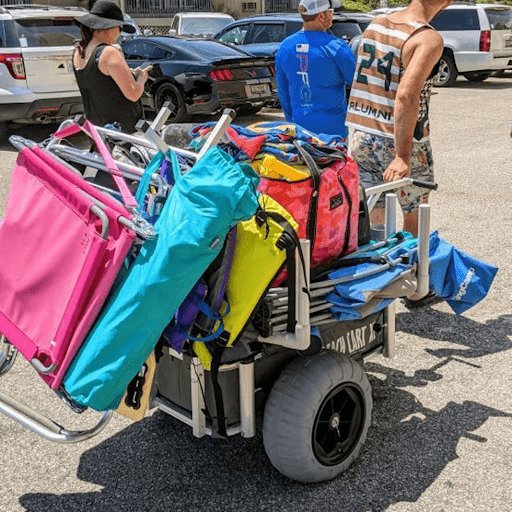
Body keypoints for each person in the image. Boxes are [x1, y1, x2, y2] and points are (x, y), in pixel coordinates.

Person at [346, 0, 451, 236]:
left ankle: (379, 266)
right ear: (446, 3)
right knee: (414, 218)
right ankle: (412, 268)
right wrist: (402, 156)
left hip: (363, 133)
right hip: (405, 141)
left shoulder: (375, 25)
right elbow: (406, 95)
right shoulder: (427, 38)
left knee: (374, 218)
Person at [275, 0, 356, 138]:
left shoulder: (284, 47)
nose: (332, 15)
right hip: (334, 133)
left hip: (300, 130)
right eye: (331, 12)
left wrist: (292, 120)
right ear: (322, 16)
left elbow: (283, 92)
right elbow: (358, 87)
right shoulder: (336, 47)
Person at [73, 0, 152, 133]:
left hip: (97, 131)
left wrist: (129, 73)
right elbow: (133, 94)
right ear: (108, 28)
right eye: (120, 28)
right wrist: (141, 80)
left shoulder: (78, 52)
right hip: (122, 134)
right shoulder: (109, 52)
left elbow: (100, 82)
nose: (120, 34)